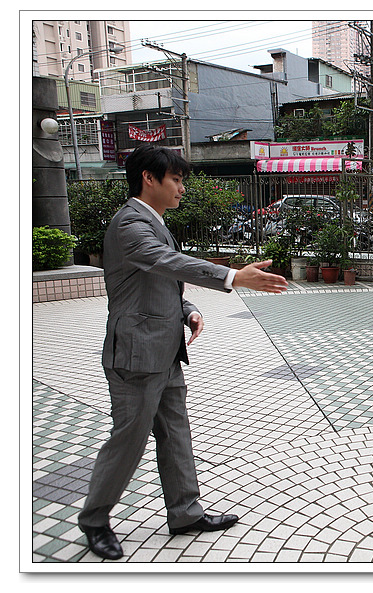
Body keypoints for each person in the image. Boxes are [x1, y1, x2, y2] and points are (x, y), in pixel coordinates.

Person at [77, 144, 289, 560]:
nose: (182, 189)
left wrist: (188, 310)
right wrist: (232, 276)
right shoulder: (130, 224)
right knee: (129, 440)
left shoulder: (152, 221)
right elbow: (164, 261)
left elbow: (156, 281)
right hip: (136, 355)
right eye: (175, 179)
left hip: (164, 349)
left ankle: (186, 512)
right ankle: (95, 520)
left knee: (175, 432)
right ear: (148, 179)